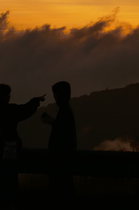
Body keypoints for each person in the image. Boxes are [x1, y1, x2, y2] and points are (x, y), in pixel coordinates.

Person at [0, 84, 45, 208]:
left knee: (1, 183)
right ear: (3, 95)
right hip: (10, 152)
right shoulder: (8, 110)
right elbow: (24, 110)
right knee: (11, 183)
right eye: (8, 94)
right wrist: (36, 101)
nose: (9, 96)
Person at [41, 81, 76, 210]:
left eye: (56, 94)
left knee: (61, 193)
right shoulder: (65, 110)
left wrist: (52, 122)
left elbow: (63, 132)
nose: (54, 96)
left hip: (61, 161)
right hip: (63, 160)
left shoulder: (65, 110)